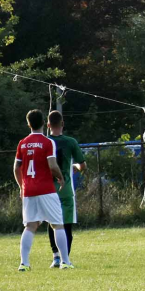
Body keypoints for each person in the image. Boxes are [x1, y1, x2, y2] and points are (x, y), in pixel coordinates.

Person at [13, 109, 73, 271]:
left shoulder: (22, 143)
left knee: (30, 226)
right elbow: (52, 165)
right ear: (43, 123)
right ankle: (65, 262)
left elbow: (16, 168)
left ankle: (24, 263)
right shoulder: (48, 142)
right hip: (46, 189)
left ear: (28, 124)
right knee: (58, 225)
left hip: (29, 191)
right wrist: (60, 177)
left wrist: (21, 186)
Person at [46, 110, 87, 268]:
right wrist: (75, 166)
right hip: (66, 189)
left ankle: (55, 256)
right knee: (66, 224)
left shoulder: (45, 142)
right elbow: (82, 164)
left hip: (48, 189)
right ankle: (65, 259)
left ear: (48, 125)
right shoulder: (71, 142)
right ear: (62, 124)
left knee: (52, 223)